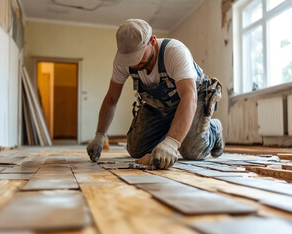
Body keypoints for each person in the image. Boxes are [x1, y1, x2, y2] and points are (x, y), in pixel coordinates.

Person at [87, 19, 224, 169]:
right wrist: (100, 135)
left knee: (192, 151)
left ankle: (214, 130)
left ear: (152, 41)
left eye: (137, 55)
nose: (133, 64)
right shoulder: (123, 61)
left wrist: (172, 142)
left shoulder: (174, 52)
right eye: (129, 57)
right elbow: (112, 99)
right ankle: (173, 128)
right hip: (159, 105)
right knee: (136, 149)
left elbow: (189, 96)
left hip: (193, 99)